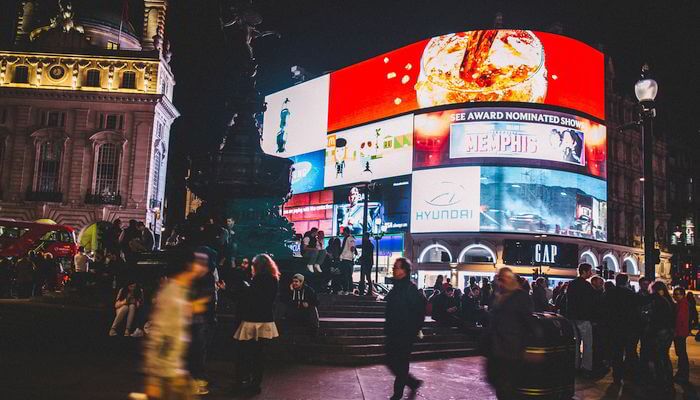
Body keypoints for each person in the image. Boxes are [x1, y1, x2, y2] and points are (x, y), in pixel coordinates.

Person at [143, 249, 209, 400]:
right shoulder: (173, 293)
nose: (203, 267)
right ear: (189, 266)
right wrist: (159, 373)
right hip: (168, 369)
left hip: (173, 365)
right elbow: (161, 334)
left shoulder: (181, 290)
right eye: (198, 263)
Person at [232, 254, 280, 395]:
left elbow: (250, 298)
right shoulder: (274, 279)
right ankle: (256, 383)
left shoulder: (258, 279)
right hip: (265, 319)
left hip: (252, 319)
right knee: (259, 354)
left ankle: (244, 381)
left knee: (245, 352)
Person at [485, 267, 534, 399]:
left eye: (503, 279)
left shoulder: (521, 297)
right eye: (499, 279)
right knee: (497, 383)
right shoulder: (497, 296)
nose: (500, 283)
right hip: (496, 348)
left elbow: (529, 322)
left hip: (512, 348)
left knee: (508, 387)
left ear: (511, 280)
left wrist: (529, 347)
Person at [384, 258, 425, 400]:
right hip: (393, 332)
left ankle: (397, 394)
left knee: (400, 364)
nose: (394, 269)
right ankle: (412, 383)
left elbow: (419, 311)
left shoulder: (410, 289)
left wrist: (414, 330)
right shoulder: (396, 287)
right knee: (391, 361)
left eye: (397, 267)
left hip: (405, 334)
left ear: (404, 271)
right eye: (394, 267)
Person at [187, 246, 219, 396]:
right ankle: (198, 378)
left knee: (199, 349)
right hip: (201, 317)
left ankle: (198, 377)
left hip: (199, 316)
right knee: (199, 349)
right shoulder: (205, 276)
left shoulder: (197, 274)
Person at [601, 273, 637, 384]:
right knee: (629, 352)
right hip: (627, 327)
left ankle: (617, 375)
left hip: (613, 327)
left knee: (617, 352)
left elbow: (603, 310)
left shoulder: (609, 293)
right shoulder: (630, 293)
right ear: (626, 281)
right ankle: (628, 374)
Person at [565, 263, 595, 374]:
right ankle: (586, 366)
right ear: (585, 271)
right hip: (584, 317)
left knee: (576, 343)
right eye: (590, 271)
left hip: (572, 316)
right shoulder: (587, 286)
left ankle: (575, 364)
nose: (591, 273)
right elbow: (591, 303)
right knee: (587, 343)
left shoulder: (572, 284)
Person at [648, 281, 675, 393]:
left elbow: (656, 319)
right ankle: (668, 380)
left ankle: (661, 381)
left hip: (661, 332)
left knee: (659, 357)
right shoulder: (670, 301)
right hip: (667, 332)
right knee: (664, 356)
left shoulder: (660, 301)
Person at [672, 287, 690, 383]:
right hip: (681, 332)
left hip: (680, 333)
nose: (675, 296)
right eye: (675, 294)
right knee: (681, 353)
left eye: (677, 294)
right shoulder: (681, 303)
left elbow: (680, 320)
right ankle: (682, 373)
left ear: (682, 295)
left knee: (681, 353)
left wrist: (675, 332)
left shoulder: (683, 304)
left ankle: (683, 374)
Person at [339, 228, 356, 295]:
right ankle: (349, 290)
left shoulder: (350, 238)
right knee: (348, 275)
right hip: (347, 258)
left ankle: (346, 290)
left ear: (346, 232)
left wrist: (352, 251)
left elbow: (352, 247)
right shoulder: (349, 238)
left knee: (346, 275)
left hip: (346, 258)